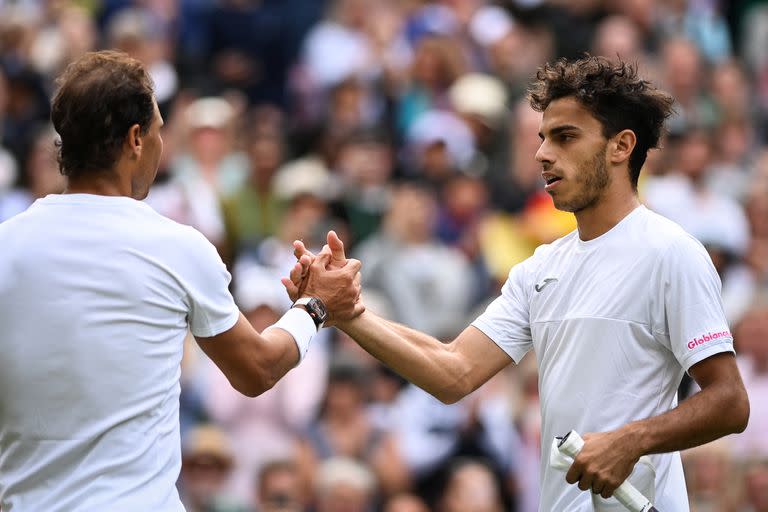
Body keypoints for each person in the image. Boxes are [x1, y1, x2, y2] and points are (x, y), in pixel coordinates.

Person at [286, 55, 750, 511]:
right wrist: (348, 314)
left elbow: (729, 401)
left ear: (621, 146)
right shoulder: (539, 267)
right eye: (543, 138)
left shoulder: (672, 253)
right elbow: (453, 372)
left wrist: (631, 440)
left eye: (565, 137)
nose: (543, 153)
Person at [0, 50, 362, 511]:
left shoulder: (5, 245)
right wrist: (314, 307)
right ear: (135, 139)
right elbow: (257, 370)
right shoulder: (178, 248)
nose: (160, 144)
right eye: (158, 131)